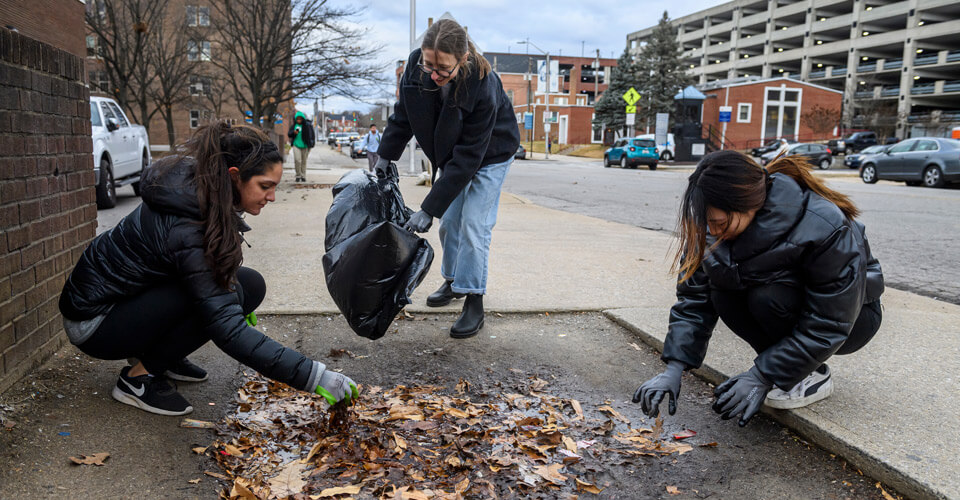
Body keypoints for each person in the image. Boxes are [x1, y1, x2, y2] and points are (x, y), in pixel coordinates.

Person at [59, 123, 358, 416]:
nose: (272, 197)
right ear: (234, 176)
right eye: (265, 187)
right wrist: (315, 376)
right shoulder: (190, 225)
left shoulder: (201, 192)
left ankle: (163, 356)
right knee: (223, 303)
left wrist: (232, 297)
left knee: (249, 285)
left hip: (125, 300)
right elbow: (227, 329)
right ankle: (137, 379)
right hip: (96, 322)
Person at [633, 150, 884, 427]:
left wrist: (762, 376)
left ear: (747, 203)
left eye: (720, 223)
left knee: (767, 296)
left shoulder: (824, 224)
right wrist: (674, 368)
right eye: (707, 223)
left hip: (853, 318)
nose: (712, 232)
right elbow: (695, 301)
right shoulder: (710, 230)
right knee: (723, 294)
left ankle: (809, 372)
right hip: (796, 308)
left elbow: (830, 321)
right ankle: (786, 366)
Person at [373, 19, 521, 339]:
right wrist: (386, 155)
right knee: (450, 222)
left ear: (463, 59)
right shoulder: (416, 67)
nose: (434, 75)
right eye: (429, 65)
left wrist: (428, 207)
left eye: (443, 69)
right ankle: (454, 282)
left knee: (473, 223)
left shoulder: (483, 84)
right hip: (455, 153)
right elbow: (404, 114)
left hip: (490, 153)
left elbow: (469, 159)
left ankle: (474, 299)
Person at [287, 111, 316, 182]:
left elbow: (312, 135)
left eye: (300, 119)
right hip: (296, 145)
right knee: (297, 160)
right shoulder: (294, 126)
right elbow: (289, 134)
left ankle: (303, 176)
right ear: (295, 119)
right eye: (297, 119)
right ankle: (298, 175)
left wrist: (312, 144)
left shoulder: (308, 125)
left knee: (304, 161)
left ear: (303, 119)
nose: (299, 120)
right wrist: (294, 133)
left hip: (305, 146)